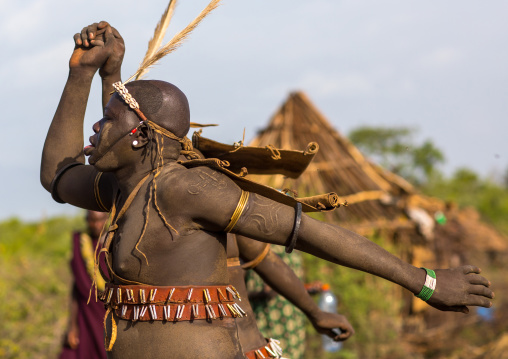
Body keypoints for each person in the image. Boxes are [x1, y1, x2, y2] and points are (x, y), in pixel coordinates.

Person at [41, 22, 494, 358]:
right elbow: (56, 177)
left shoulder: (187, 189)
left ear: (141, 136)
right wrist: (82, 74)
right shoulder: (124, 192)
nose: (95, 127)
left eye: (108, 121)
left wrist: (426, 282)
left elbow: (307, 233)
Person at [228, 234, 354, 358]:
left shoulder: (292, 247)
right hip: (265, 323)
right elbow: (235, 291)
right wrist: (261, 294)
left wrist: (308, 289)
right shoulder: (251, 244)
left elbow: (290, 283)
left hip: (293, 324)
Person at [59, 210, 109, 359]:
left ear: (107, 219)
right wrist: (72, 326)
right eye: (92, 220)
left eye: (100, 220)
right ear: (86, 220)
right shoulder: (81, 241)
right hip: (86, 313)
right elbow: (77, 287)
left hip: (109, 311)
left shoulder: (116, 242)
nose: (96, 225)